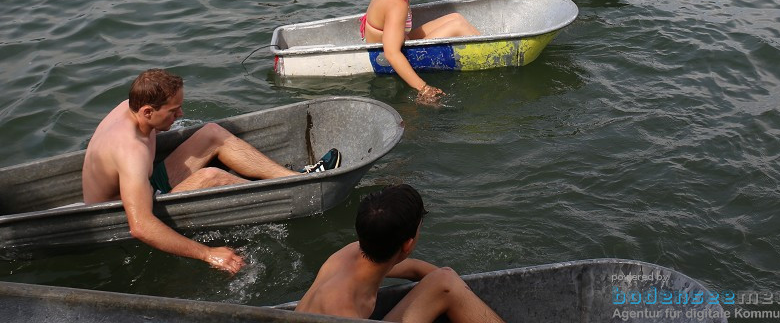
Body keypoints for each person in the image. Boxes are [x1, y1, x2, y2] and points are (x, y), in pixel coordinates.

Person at [81, 69, 341, 274]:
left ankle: (298, 180)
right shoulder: (130, 150)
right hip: (123, 211)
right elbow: (140, 227)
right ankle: (281, 197)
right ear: (148, 111)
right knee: (212, 177)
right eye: (173, 111)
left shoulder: (132, 106)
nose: (180, 114)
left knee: (211, 133)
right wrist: (208, 253)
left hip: (147, 184)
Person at [296, 184, 505, 323]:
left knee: (445, 280)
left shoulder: (357, 251)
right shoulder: (344, 309)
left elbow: (415, 268)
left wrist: (463, 291)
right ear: (408, 244)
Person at [359, 0, 481, 104]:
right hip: (381, 57)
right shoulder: (396, 3)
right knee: (457, 26)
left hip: (400, 40)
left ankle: (482, 43)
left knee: (455, 18)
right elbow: (391, 53)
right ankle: (488, 52)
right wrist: (424, 88)